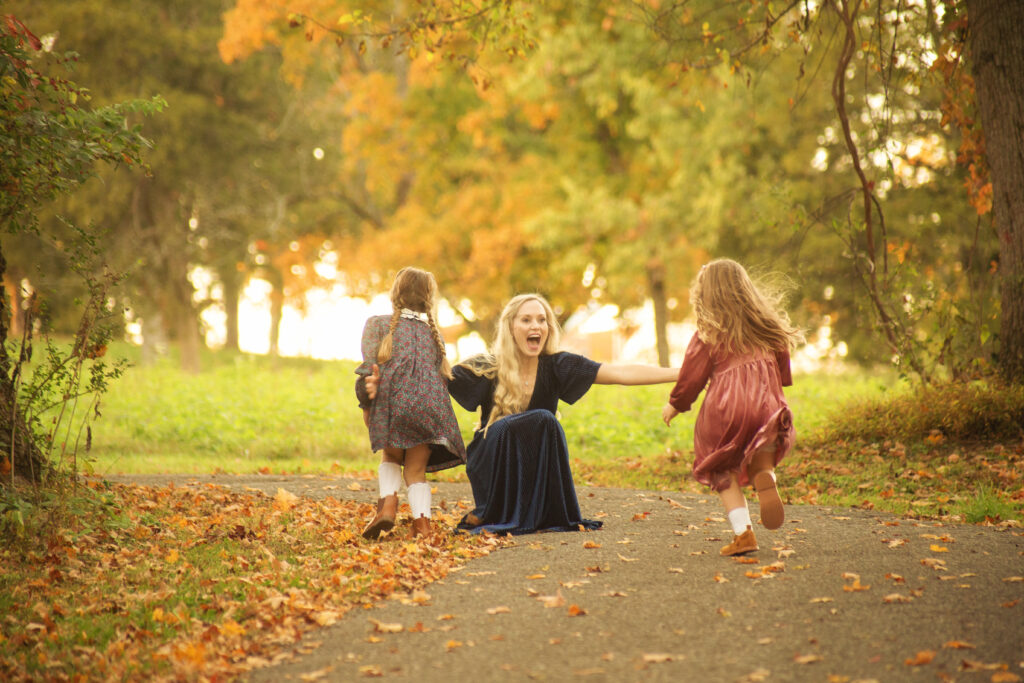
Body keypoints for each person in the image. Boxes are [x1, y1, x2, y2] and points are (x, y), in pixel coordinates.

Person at [446, 293, 679, 535]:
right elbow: (439, 378)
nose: (535, 325)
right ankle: (490, 509)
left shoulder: (557, 366)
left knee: (545, 422)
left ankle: (538, 511)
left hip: (532, 463)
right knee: (542, 419)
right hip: (491, 460)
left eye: (542, 320)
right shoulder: (487, 365)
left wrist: (683, 373)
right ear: (510, 327)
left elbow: (620, 373)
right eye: (526, 320)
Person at [662, 259, 804, 557]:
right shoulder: (766, 325)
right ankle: (765, 475)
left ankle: (744, 534)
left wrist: (676, 404)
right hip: (767, 401)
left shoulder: (709, 331)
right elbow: (782, 367)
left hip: (726, 407)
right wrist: (775, 386)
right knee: (762, 446)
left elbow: (692, 376)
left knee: (721, 467)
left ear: (707, 295)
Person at [354, 267, 466, 539]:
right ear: (429, 299)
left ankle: (387, 508)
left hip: (395, 402)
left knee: (392, 455)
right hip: (431, 409)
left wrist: (366, 403)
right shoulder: (435, 335)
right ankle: (423, 526)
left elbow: (369, 369)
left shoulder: (378, 324)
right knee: (415, 470)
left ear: (395, 294)